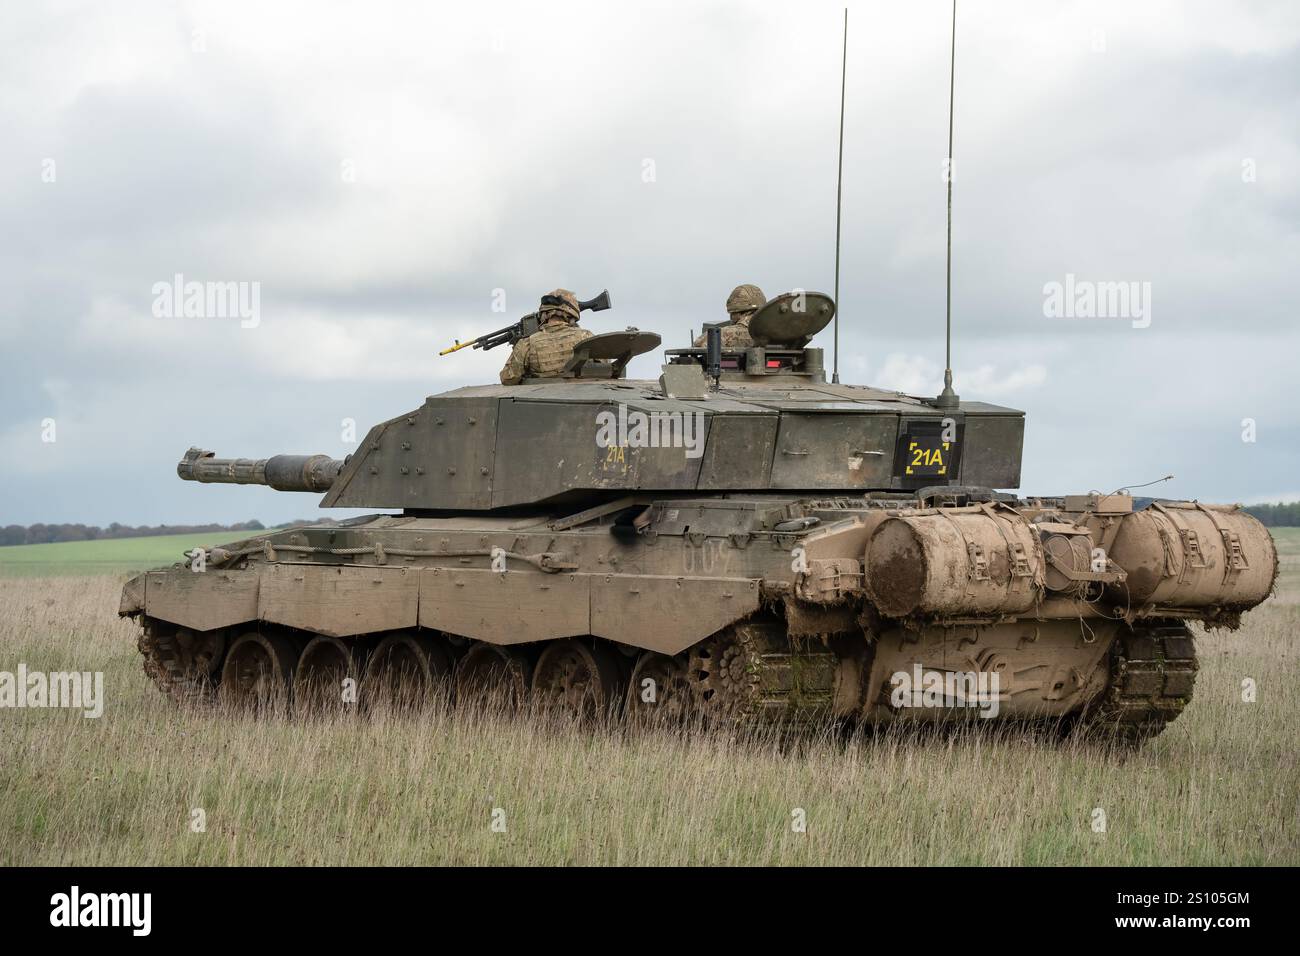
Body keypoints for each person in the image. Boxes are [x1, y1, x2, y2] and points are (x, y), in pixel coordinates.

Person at [499, 289, 593, 385]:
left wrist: (517, 348)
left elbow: (508, 378)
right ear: (572, 315)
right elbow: (604, 367)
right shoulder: (586, 337)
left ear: (543, 314)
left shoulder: (528, 343)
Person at [693, 284, 766, 349]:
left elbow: (699, 344)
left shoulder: (726, 334)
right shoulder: (773, 333)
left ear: (737, 313)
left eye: (732, 313)